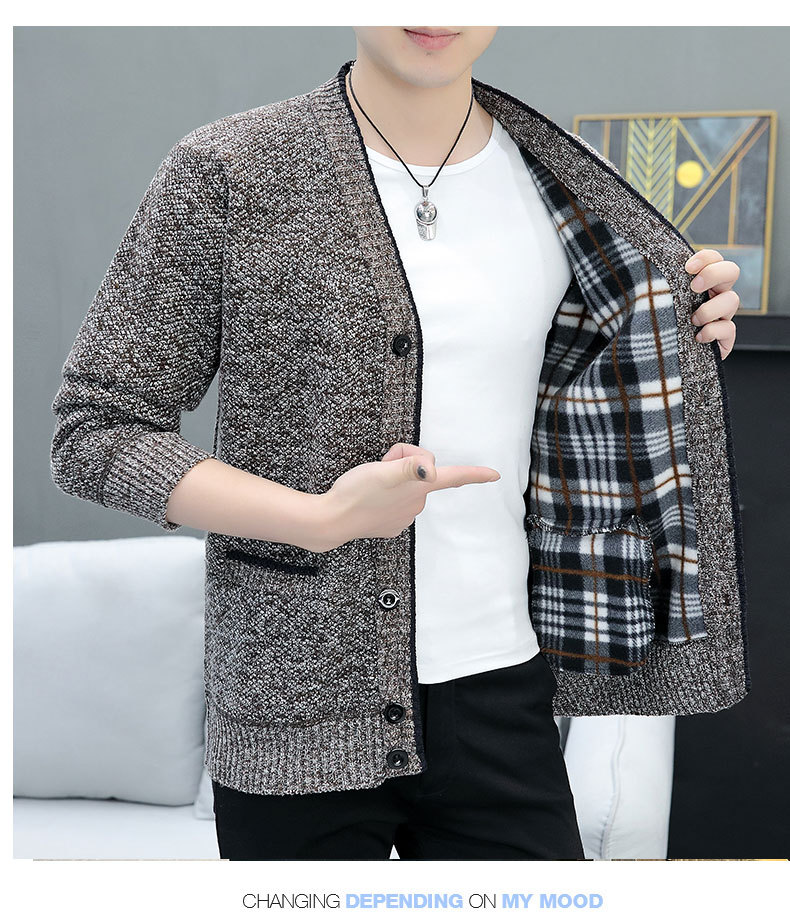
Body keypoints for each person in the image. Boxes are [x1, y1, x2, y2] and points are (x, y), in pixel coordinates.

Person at [50, 27, 743, 861]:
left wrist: (683, 319)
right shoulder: (230, 170)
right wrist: (319, 519)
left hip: (501, 689)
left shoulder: (568, 182)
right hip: (295, 705)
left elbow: (607, 388)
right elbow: (96, 429)